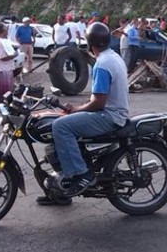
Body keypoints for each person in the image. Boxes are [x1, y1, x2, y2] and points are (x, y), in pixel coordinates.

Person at [46, 22, 129, 198]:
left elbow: (99, 103)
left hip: (109, 116)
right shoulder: (114, 57)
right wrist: (80, 107)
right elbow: (99, 97)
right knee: (66, 121)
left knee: (60, 126)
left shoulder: (102, 64)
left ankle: (82, 174)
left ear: (90, 44)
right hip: (115, 112)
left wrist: (76, 109)